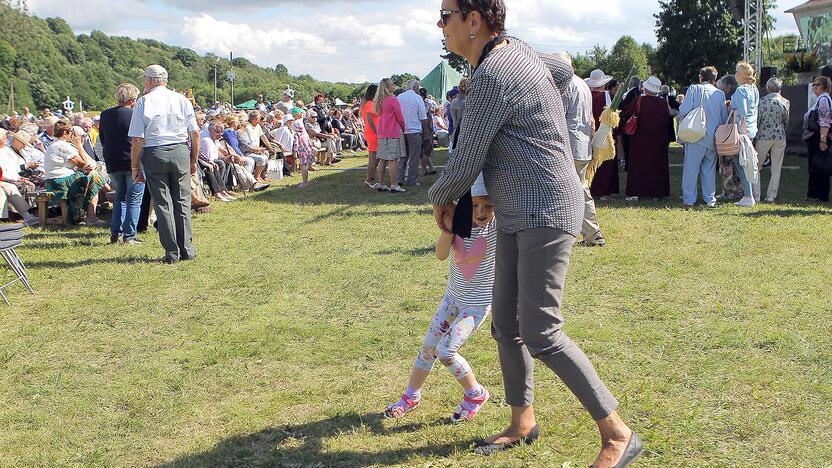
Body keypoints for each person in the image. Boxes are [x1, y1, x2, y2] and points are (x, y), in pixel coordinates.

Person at [430, 1, 640, 465]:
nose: (439, 25)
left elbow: (465, 160)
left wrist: (439, 200)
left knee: (542, 329)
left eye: (445, 15)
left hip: (545, 207)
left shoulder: (492, 74)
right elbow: (564, 69)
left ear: (473, 20)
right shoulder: (517, 52)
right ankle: (522, 421)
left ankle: (617, 434)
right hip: (519, 210)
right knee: (506, 323)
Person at [385, 175, 495, 423]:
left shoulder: (497, 228)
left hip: (475, 307)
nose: (481, 212)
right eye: (475, 205)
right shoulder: (456, 225)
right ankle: (411, 396)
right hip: (452, 300)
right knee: (428, 347)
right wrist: (449, 228)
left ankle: (475, 394)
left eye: (488, 205)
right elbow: (441, 255)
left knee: (446, 351)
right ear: (465, 204)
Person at [128, 64, 200, 264]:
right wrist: (193, 160)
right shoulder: (182, 99)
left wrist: (135, 166)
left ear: (149, 80)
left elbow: (137, 139)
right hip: (180, 150)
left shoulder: (144, 101)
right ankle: (187, 248)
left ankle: (172, 252)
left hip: (155, 151)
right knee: (182, 202)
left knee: (163, 203)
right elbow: (194, 133)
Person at [558, 52, 604, 246]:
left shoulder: (564, 85)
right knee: (579, 190)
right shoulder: (583, 85)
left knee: (574, 192)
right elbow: (591, 119)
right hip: (582, 144)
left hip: (568, 145)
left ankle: (592, 234)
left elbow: (557, 116)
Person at [100, 83, 145, 244]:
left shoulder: (105, 115)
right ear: (133, 99)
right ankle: (129, 235)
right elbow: (139, 140)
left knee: (120, 197)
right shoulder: (135, 115)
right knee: (133, 199)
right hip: (131, 161)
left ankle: (115, 233)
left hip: (112, 161)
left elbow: (103, 139)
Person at [678, 66, 728, 207]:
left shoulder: (694, 89)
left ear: (701, 77)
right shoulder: (720, 94)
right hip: (712, 137)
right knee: (709, 169)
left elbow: (683, 110)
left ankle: (689, 199)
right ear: (715, 79)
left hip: (695, 135)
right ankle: (709, 199)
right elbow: (723, 117)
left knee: (691, 169)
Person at [44, 121, 106, 225]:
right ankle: (91, 216)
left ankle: (113, 195)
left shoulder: (55, 144)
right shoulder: (63, 146)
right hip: (59, 182)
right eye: (71, 132)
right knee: (94, 177)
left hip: (54, 180)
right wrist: (79, 145)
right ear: (65, 133)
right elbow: (84, 163)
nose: (73, 136)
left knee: (92, 175)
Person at [754, 77, 790, 203]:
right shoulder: (785, 102)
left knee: (756, 165)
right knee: (776, 167)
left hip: (763, 136)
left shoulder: (762, 102)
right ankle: (771, 195)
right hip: (780, 136)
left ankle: (756, 194)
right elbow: (786, 120)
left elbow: (757, 120)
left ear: (768, 88)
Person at [586, 69, 619, 199]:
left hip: (589, 130)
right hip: (604, 131)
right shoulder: (607, 96)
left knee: (590, 158)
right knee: (603, 160)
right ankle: (604, 191)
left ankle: (589, 187)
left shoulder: (586, 94)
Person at [730, 61, 760, 208]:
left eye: (736, 71)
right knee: (747, 162)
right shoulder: (754, 89)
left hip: (742, 131)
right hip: (752, 129)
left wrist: (742, 131)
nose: (735, 74)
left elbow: (742, 112)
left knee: (741, 163)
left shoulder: (741, 90)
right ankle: (750, 195)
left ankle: (748, 195)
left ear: (741, 74)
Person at [0, 130, 39, 226]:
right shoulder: (4, 151)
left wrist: (16, 178)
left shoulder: (4, 150)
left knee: (16, 186)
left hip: (6, 179)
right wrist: (14, 179)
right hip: (5, 180)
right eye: (4, 139)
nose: (6, 141)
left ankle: (28, 215)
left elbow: (4, 172)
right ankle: (27, 215)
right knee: (11, 187)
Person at [374, 78, 406, 193]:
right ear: (388, 87)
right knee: (392, 159)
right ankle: (394, 184)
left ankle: (381, 183)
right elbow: (400, 117)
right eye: (392, 85)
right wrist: (403, 126)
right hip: (393, 131)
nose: (394, 86)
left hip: (382, 132)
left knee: (382, 159)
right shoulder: (393, 99)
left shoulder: (379, 100)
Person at [804, 76, 832, 202]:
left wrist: (823, 139)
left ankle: (820, 195)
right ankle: (813, 194)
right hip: (815, 136)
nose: (814, 86)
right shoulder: (819, 99)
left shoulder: (824, 100)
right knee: (815, 166)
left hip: (818, 137)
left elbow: (825, 122)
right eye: (813, 84)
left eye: (818, 85)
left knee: (820, 166)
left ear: (825, 87)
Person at [715, 75, 743, 200]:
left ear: (728, 86)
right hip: (740, 134)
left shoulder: (726, 98)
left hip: (727, 135)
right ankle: (739, 189)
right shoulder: (740, 95)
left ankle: (728, 191)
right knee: (738, 165)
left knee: (726, 164)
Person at [397, 79, 428, 186]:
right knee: (414, 157)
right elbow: (423, 118)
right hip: (414, 130)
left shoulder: (399, 97)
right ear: (415, 88)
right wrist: (426, 133)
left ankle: (400, 178)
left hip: (402, 130)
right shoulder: (418, 98)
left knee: (402, 156)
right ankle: (412, 179)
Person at [199, 122, 235, 201]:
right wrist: (209, 163)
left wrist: (228, 157)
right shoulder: (205, 140)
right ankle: (217, 193)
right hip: (200, 162)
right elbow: (201, 156)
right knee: (212, 167)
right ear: (212, 130)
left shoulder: (214, 136)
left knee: (222, 163)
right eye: (218, 132)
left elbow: (219, 149)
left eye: (221, 132)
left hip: (208, 159)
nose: (220, 135)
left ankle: (223, 190)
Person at [361, 84, 380, 188]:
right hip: (373, 132)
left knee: (375, 157)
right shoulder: (370, 103)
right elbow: (370, 119)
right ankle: (370, 179)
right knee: (373, 157)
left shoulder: (369, 103)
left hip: (372, 131)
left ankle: (369, 178)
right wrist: (377, 132)